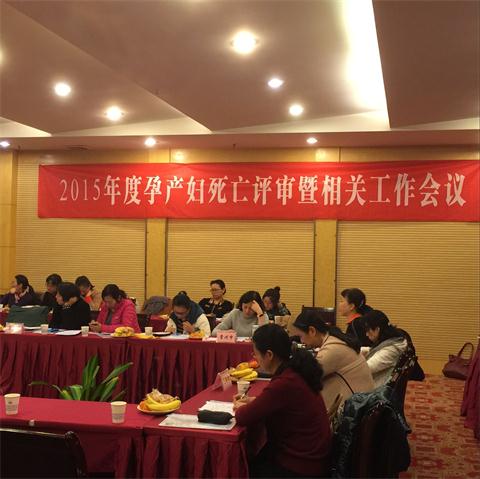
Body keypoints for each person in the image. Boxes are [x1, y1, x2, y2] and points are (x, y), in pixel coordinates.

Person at [234, 324, 331, 478]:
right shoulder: (295, 371)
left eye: (256, 354)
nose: (255, 358)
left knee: (242, 467)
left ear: (269, 354)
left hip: (301, 465)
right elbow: (278, 402)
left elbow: (242, 417)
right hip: (313, 456)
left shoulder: (285, 382)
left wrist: (239, 406)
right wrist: (254, 401)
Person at [293, 310, 375, 411]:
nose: (301, 341)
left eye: (301, 336)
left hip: (356, 410)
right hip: (361, 403)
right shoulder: (335, 338)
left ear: (312, 331)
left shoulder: (332, 349)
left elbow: (305, 377)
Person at [363, 310, 408, 387]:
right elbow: (377, 349)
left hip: (376, 388)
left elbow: (366, 369)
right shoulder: (392, 340)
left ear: (377, 329)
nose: (366, 334)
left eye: (368, 330)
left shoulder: (392, 349)